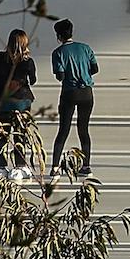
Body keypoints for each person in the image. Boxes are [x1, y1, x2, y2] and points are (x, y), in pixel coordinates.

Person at [0, 29, 36, 177]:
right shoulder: (27, 61)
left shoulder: (0, 58)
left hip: (3, 103)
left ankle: (1, 166)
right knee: (20, 134)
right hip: (22, 103)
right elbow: (33, 80)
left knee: (2, 135)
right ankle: (20, 166)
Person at [49, 17, 99, 173]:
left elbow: (60, 76)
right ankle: (86, 166)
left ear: (58, 36)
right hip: (87, 93)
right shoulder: (86, 48)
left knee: (63, 130)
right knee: (83, 130)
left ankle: (55, 167)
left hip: (69, 93)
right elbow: (95, 69)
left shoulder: (58, 53)